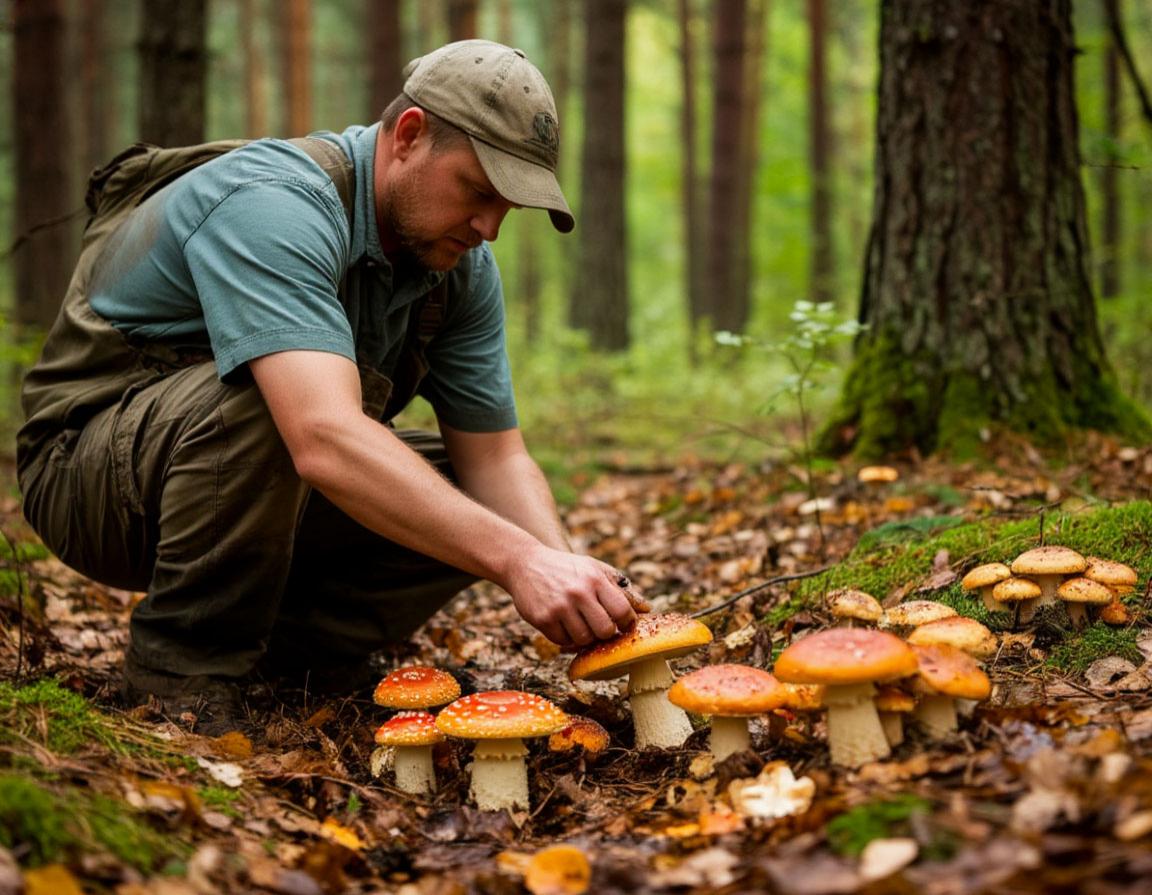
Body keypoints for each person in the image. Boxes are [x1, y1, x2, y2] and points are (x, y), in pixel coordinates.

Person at [16, 40, 644, 734]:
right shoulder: (275, 203)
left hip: (243, 485)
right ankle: (180, 671)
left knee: (467, 498)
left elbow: (496, 458)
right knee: (270, 399)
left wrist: (562, 570)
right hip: (88, 478)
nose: (489, 227)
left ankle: (294, 658)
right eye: (479, 190)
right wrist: (519, 559)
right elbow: (319, 437)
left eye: (510, 207)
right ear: (409, 137)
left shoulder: (456, 270)